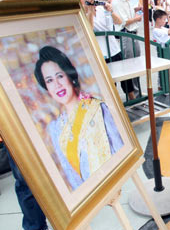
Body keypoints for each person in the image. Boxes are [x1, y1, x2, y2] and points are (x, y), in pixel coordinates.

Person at [34, 46, 124, 190]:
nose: (57, 84)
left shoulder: (98, 108)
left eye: (60, 76)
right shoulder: (55, 128)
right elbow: (68, 170)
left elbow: (121, 149)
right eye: (49, 80)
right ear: (46, 88)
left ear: (70, 75)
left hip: (114, 184)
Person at [80, 0, 138, 101]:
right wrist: (90, 10)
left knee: (125, 77)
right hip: (100, 53)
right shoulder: (80, 13)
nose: (94, 1)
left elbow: (119, 22)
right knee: (109, 81)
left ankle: (133, 99)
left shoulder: (103, 9)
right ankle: (115, 106)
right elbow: (89, 29)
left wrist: (110, 11)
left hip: (114, 49)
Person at [0, 137, 59, 230]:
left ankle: (62, 215)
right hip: (13, 128)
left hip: (39, 122)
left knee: (55, 165)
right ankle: (36, 227)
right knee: (25, 178)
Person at [111, 0, 143, 99]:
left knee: (137, 64)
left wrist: (135, 10)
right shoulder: (116, 2)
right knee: (130, 65)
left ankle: (137, 92)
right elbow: (123, 22)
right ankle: (133, 95)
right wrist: (137, 18)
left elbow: (127, 16)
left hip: (133, 34)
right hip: (126, 34)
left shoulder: (127, 0)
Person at [152, 9, 170, 84]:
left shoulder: (162, 28)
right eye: (163, 19)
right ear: (158, 19)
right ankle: (164, 91)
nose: (165, 21)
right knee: (165, 76)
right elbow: (169, 33)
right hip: (164, 57)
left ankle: (168, 91)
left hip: (169, 56)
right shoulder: (156, 31)